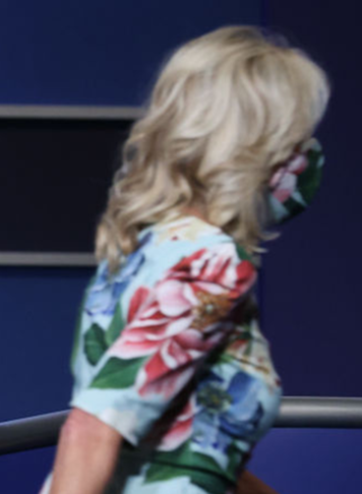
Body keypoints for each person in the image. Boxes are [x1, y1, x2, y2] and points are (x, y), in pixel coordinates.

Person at [42, 26, 328, 494]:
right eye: (296, 140)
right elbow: (91, 429)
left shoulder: (147, 248)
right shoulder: (212, 265)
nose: (306, 159)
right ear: (255, 145)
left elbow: (179, 456)